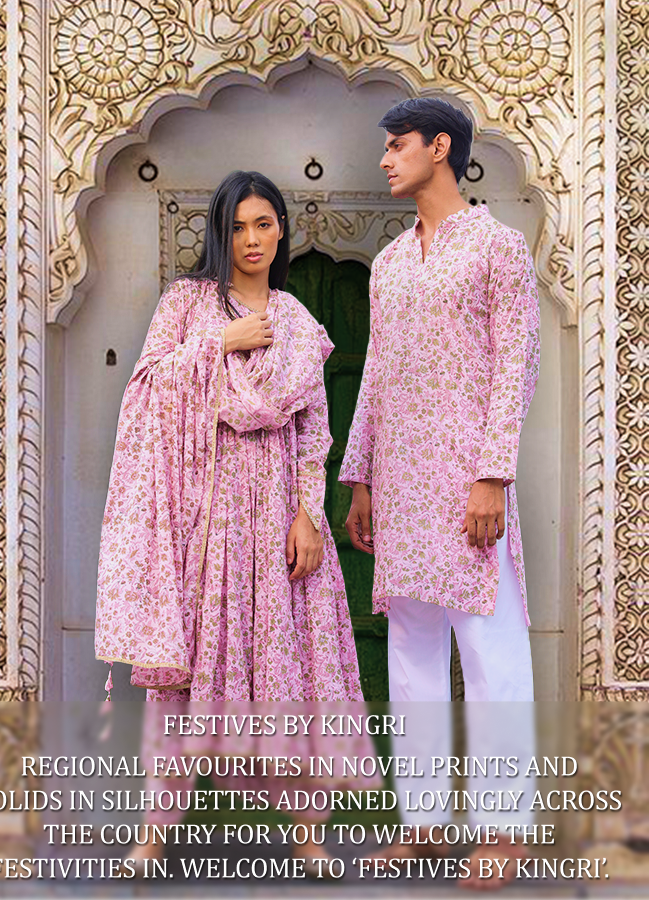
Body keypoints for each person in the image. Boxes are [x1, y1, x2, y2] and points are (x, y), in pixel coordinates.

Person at [340, 97, 540, 890]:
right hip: (401, 487)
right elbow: (376, 373)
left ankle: (504, 831)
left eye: (398, 145)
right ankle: (422, 824)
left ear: (441, 147)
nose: (386, 159)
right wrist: (360, 478)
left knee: (492, 656)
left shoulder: (497, 247)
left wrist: (492, 474)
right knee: (413, 658)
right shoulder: (390, 263)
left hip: (468, 487)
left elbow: (516, 365)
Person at [95, 170, 362, 701]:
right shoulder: (187, 303)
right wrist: (221, 341)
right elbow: (146, 388)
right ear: (220, 233)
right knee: (202, 661)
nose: (251, 240)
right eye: (237, 228)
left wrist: (310, 518)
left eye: (263, 224)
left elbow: (314, 434)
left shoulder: (298, 322)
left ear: (281, 227)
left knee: (288, 669)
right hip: (207, 515)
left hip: (280, 515)